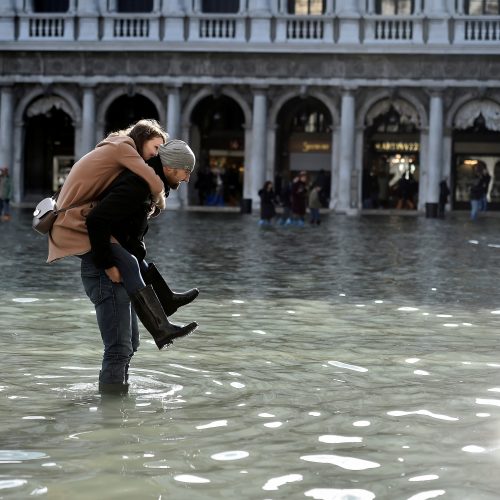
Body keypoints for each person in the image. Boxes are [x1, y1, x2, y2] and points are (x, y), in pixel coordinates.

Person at [47, 120, 198, 394]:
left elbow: (125, 232)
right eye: (185, 172)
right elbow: (97, 221)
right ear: (170, 167)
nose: (187, 178)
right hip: (105, 270)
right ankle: (111, 413)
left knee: (130, 345)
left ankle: (119, 408)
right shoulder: (136, 178)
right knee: (119, 348)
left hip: (116, 264)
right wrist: (107, 265)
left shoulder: (141, 182)